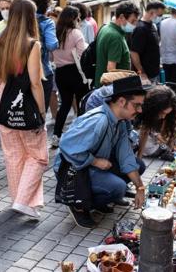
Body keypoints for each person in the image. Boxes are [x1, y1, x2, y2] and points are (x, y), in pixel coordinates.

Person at [54, 75, 147, 228]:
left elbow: (126, 157)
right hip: (72, 168)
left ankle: (96, 199)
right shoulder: (99, 120)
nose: (140, 110)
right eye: (137, 105)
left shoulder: (120, 121)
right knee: (118, 188)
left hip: (90, 164)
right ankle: (78, 204)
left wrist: (140, 187)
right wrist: (95, 161)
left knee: (138, 165)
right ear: (122, 102)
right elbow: (65, 145)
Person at [0, 0, 48, 219]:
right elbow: (35, 82)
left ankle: (20, 200)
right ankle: (24, 200)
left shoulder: (1, 40)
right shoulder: (32, 44)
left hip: (4, 100)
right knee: (37, 156)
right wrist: (43, 113)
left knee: (13, 155)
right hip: (26, 103)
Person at [50, 6, 89, 148]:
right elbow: (82, 53)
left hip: (60, 73)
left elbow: (50, 54)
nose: (79, 20)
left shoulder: (55, 32)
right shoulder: (76, 33)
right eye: (77, 17)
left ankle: (56, 135)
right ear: (73, 18)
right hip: (76, 72)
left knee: (65, 104)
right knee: (81, 104)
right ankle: (81, 135)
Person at [25, 0, 59, 111]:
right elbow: (52, 45)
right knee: (40, 111)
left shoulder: (22, 21)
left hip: (23, 73)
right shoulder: (47, 22)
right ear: (46, 5)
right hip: (43, 71)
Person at [94, 2, 140, 88]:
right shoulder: (116, 37)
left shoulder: (105, 27)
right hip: (112, 89)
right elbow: (111, 69)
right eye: (132, 21)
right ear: (122, 17)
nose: (134, 25)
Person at [136, 85, 176, 161]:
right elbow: (144, 132)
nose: (163, 117)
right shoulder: (143, 109)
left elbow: (172, 127)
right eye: (162, 113)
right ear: (154, 108)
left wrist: (171, 148)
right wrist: (139, 158)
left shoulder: (170, 112)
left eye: (167, 114)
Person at [130, 0, 165, 83]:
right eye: (160, 15)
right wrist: (141, 71)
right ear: (152, 12)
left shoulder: (152, 25)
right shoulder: (140, 29)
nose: (160, 17)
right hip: (146, 76)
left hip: (154, 73)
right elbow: (134, 53)